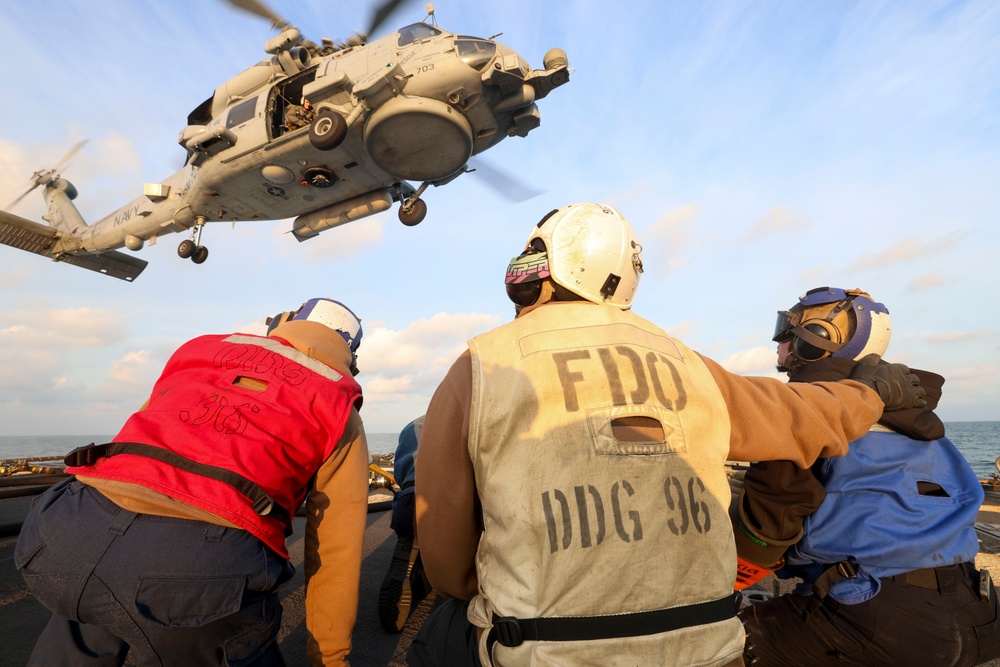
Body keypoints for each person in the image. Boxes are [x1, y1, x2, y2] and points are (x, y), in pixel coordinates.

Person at [409, 203, 927, 667]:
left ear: (540, 268)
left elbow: (448, 567)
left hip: (545, 650)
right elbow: (799, 418)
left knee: (437, 635)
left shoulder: (482, 363)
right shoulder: (686, 362)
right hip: (704, 646)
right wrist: (875, 394)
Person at [15, 298, 369, 667]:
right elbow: (335, 548)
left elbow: (133, 447)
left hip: (66, 530)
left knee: (90, 607)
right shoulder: (337, 404)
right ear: (350, 355)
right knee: (210, 631)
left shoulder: (202, 351)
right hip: (198, 565)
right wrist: (329, 657)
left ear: (281, 323)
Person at [734, 287, 1000, 666]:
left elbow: (770, 526)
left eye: (786, 331)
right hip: (978, 611)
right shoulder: (918, 417)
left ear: (818, 340)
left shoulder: (807, 405)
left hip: (878, 618)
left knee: (709, 644)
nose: (778, 342)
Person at [378, 415, 432, 633]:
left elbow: (400, 475)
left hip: (408, 503)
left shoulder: (412, 426)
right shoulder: (470, 413)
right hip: (445, 507)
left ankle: (420, 564)